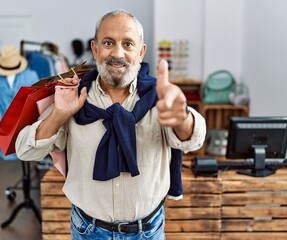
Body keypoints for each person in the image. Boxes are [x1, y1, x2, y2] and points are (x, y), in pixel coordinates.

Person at [15, 10, 206, 239]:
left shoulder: (159, 98)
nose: (118, 53)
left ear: (141, 51)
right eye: (108, 42)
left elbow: (194, 139)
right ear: (95, 49)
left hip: (149, 231)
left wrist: (182, 118)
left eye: (128, 44)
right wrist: (59, 114)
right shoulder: (72, 97)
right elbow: (24, 150)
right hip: (88, 230)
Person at [0, 45, 38, 160]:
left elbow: (36, 100)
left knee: (28, 152)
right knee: (10, 151)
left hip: (27, 123)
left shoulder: (31, 75)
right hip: (5, 125)